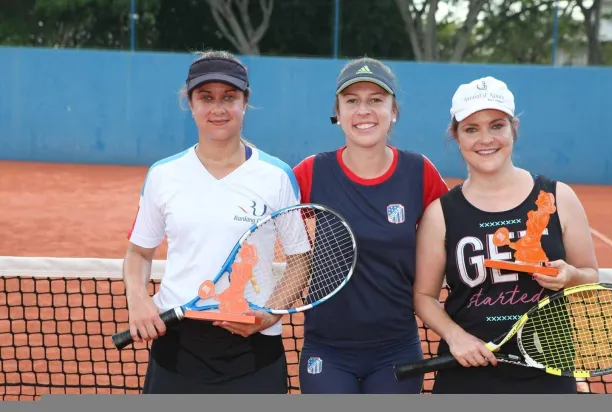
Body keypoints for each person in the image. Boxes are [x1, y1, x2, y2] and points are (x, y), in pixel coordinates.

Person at [123, 50, 300, 394]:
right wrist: (138, 299)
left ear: (245, 102)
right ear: (190, 103)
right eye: (206, 98)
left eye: (229, 97)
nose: (218, 108)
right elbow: (138, 254)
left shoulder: (276, 176)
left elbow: (299, 257)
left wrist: (272, 314)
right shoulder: (163, 175)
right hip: (177, 346)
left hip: (254, 345)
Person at [412, 76, 599, 394]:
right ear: (456, 136)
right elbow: (424, 297)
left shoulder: (558, 197)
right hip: (467, 373)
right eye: (471, 129)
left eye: (496, 125)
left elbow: (591, 278)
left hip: (548, 369)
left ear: (514, 128)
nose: (486, 139)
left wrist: (569, 276)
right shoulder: (440, 214)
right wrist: (456, 337)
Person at [292, 57, 450, 394]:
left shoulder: (419, 173)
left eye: (376, 100)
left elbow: (460, 234)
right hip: (326, 351)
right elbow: (271, 236)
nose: (364, 110)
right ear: (338, 112)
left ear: (394, 110)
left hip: (396, 350)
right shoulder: (309, 174)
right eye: (352, 101)